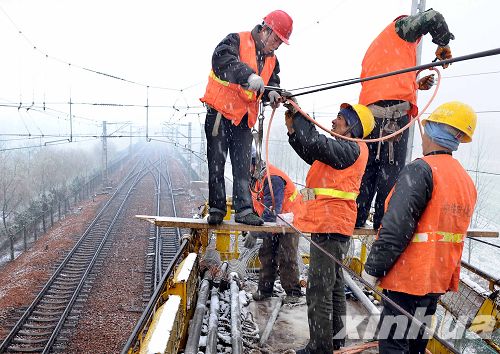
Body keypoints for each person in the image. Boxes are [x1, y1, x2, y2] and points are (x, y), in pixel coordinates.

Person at [361, 101, 477, 354]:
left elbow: (395, 228)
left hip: (408, 278)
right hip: (436, 279)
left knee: (394, 344)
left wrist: (373, 268)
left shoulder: (421, 169)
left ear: (433, 131)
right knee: (416, 344)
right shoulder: (464, 180)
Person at [284, 100, 375, 353]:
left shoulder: (353, 149)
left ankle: (320, 346)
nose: (334, 121)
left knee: (318, 289)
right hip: (330, 223)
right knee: (333, 285)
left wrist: (299, 114)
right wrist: (294, 130)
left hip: (331, 223)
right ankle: (334, 341)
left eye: (340, 118)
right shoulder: (343, 150)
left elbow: (316, 143)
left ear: (352, 126)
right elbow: (311, 151)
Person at [356, 9, 455, 230]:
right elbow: (434, 18)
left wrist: (415, 84)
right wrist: (443, 43)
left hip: (369, 118)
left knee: (367, 172)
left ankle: (357, 217)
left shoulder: (382, 49)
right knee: (390, 176)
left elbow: (385, 86)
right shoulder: (401, 29)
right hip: (391, 120)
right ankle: (385, 226)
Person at [200, 10, 293, 226]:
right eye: (277, 38)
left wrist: (272, 94)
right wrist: (248, 75)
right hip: (220, 114)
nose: (277, 45)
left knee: (242, 166)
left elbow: (273, 82)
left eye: (281, 41)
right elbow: (221, 60)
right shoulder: (236, 40)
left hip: (243, 118)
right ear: (265, 30)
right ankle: (216, 208)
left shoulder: (273, 60)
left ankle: (243, 210)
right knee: (217, 163)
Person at [247, 154, 303, 303]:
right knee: (267, 254)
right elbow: (255, 206)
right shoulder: (255, 179)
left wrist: (255, 233)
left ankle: (293, 293)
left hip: (289, 220)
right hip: (272, 222)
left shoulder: (273, 179)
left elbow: (272, 210)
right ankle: (265, 290)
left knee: (287, 256)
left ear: (255, 164)